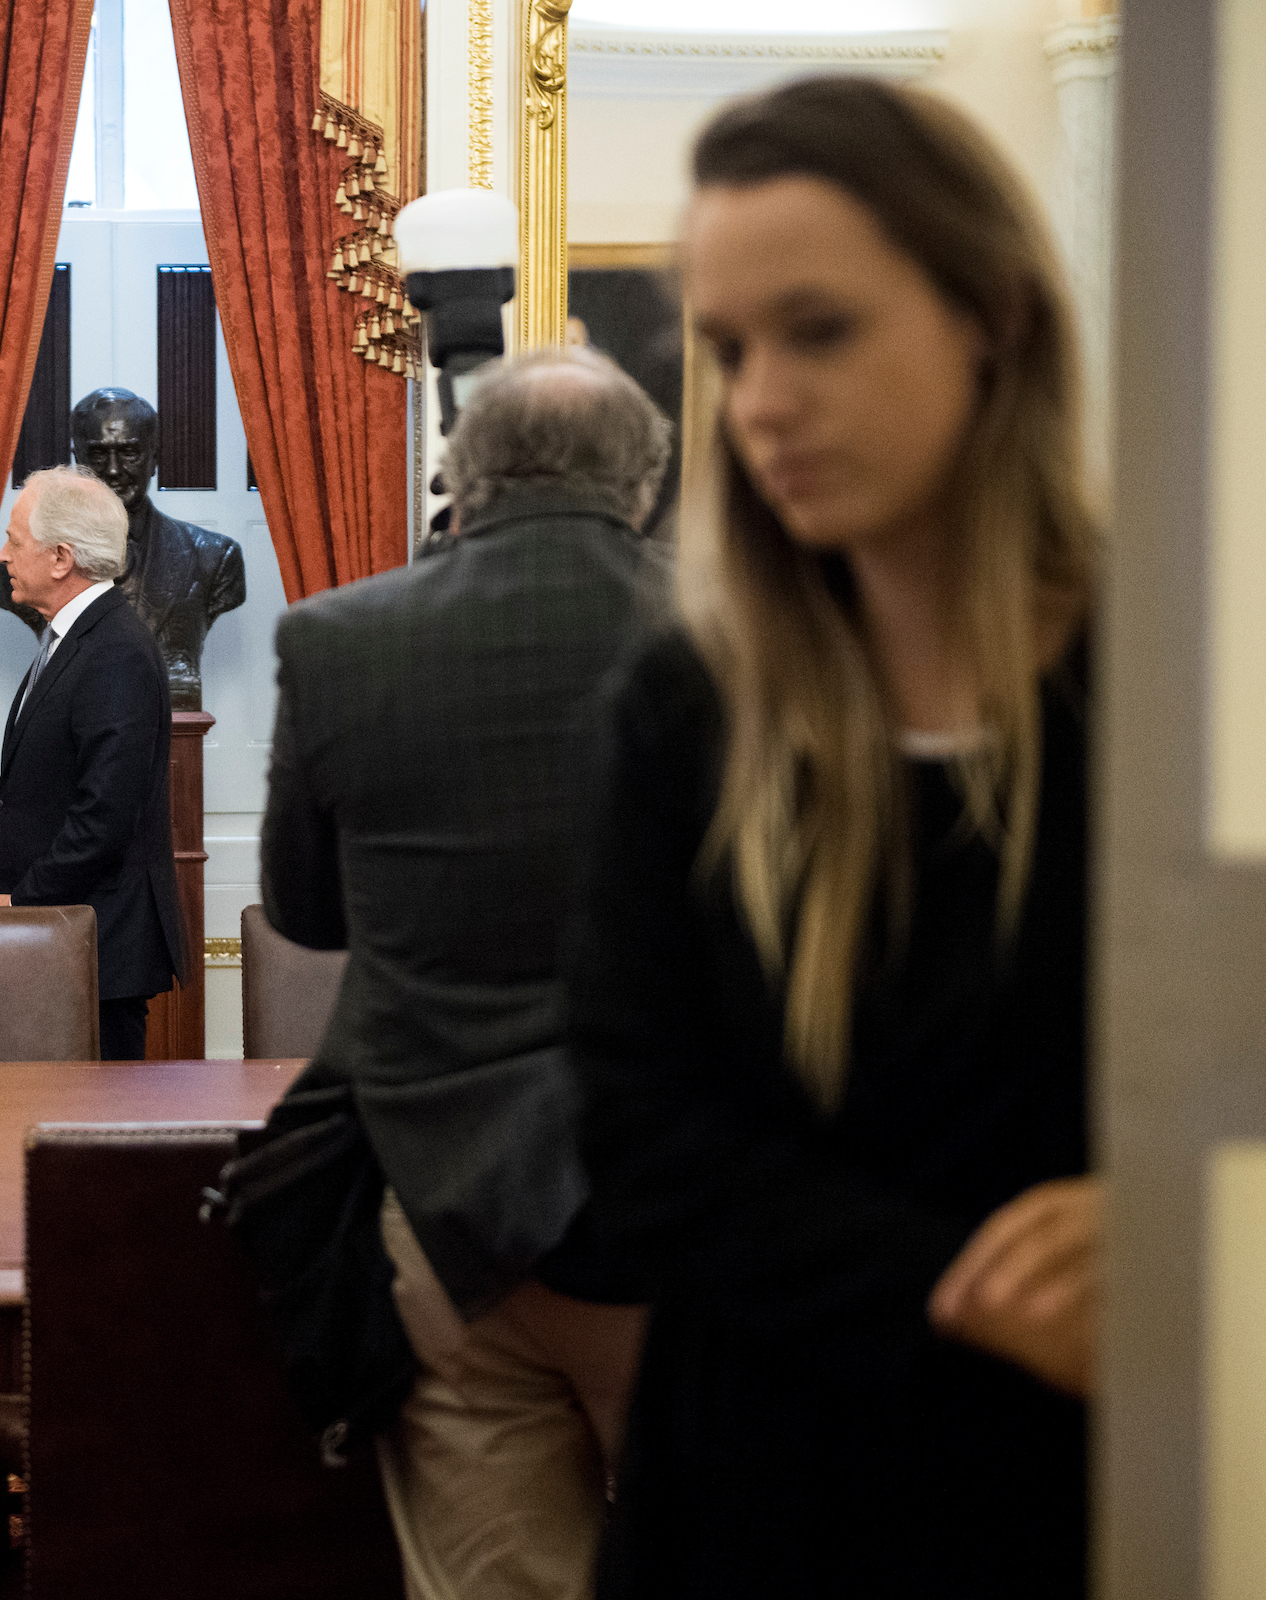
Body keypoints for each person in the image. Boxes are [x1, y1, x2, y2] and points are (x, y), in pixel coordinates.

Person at [567, 76, 1099, 1598]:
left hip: (1095, 1490)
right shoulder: (688, 708)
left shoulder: (1178, 690)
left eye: (820, 330)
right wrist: (951, 1282)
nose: (759, 404)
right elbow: (636, 1151)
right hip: (758, 1499)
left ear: (990, 314)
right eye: (728, 351)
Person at [260, 346, 671, 1600]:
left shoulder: (340, 640)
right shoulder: (748, 633)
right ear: (643, 485)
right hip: (691, 1209)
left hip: (443, 1202)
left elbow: (306, 912)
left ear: (461, 480)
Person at [0, 465, 186, 1061]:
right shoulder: (79, 638)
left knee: (96, 1134)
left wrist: (23, 904)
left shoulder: (115, 649)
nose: (2, 555)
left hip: (98, 944)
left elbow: (104, 816)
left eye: (15, 540)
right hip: (70, 936)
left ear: (61, 556)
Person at [0, 388, 245, 710]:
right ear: (78, 461)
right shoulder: (17, 565)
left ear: (154, 458)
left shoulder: (214, 557)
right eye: (98, 454)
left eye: (129, 452)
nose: (113, 470)